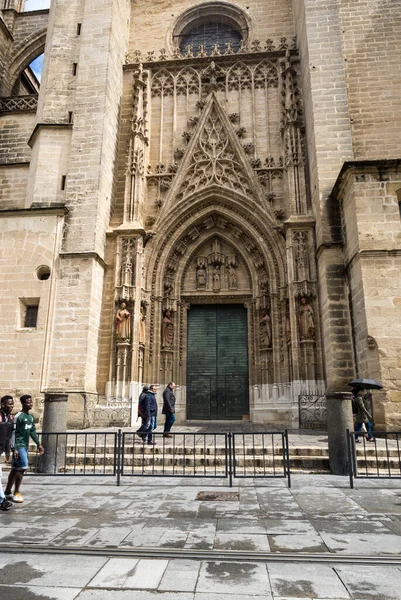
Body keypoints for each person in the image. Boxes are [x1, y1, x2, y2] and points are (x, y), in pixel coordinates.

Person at [5, 395, 44, 503]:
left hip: (25, 445)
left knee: (14, 469)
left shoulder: (30, 417)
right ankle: (16, 492)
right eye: (28, 402)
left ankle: (7, 492)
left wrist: (38, 444)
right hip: (19, 446)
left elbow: (32, 432)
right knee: (22, 467)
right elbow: (13, 433)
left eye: (31, 402)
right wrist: (14, 448)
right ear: (23, 403)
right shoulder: (18, 416)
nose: (30, 404)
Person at [0, 395, 14, 511]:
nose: (12, 406)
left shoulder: (10, 418)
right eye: (9, 404)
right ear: (3, 405)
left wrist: (8, 451)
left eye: (12, 403)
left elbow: (8, 437)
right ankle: (2, 500)